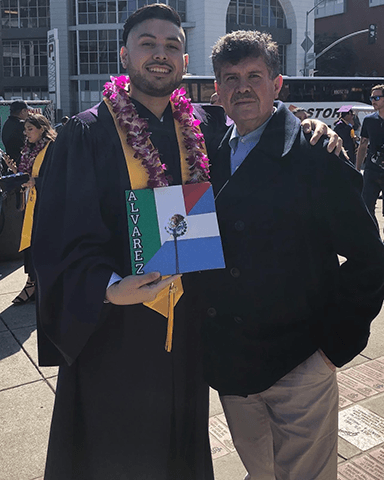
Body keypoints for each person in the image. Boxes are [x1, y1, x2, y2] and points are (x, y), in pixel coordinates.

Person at [32, 5, 342, 480]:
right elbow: (55, 238)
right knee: (116, 455)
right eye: (148, 44)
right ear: (124, 55)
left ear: (182, 60)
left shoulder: (203, 126)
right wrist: (109, 287)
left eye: (172, 45)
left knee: (181, 449)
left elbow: (261, 124)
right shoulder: (86, 133)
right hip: (117, 336)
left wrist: (308, 128)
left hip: (192, 332)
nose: (161, 54)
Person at [199, 30, 384, 480]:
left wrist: (330, 349)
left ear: (277, 84)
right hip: (233, 365)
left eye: (254, 76)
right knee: (259, 472)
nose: (242, 87)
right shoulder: (205, 158)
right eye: (230, 78)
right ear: (217, 90)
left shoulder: (315, 155)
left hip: (300, 361)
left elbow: (369, 259)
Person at [12, 114, 56, 305]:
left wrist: (35, 181)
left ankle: (39, 284)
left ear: (42, 128)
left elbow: (59, 176)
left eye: (30, 129)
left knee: (42, 244)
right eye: (25, 129)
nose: (26, 133)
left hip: (48, 204)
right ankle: (32, 282)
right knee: (30, 243)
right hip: (32, 201)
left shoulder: (52, 148)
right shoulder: (29, 150)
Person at [356, 84, 384, 228]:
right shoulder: (369, 120)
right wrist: (357, 169)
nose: (373, 101)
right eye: (372, 98)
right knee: (366, 207)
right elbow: (363, 145)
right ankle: (376, 241)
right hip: (372, 170)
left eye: (377, 98)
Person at [1, 100, 30, 167]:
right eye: (26, 111)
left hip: (11, 162)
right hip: (21, 163)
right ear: (22, 111)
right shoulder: (21, 125)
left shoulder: (7, 123)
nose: (28, 113)